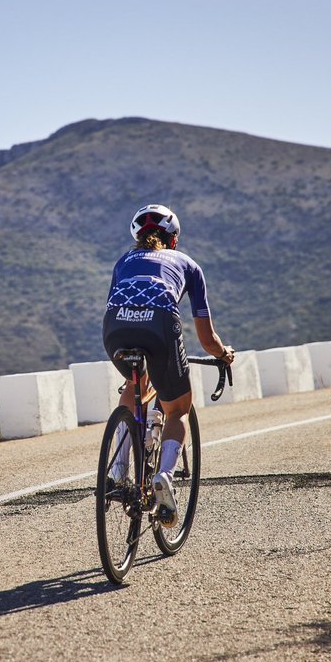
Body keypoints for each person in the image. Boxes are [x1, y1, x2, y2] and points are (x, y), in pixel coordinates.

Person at [102, 203, 234, 525]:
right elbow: (206, 338)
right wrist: (222, 354)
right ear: (173, 239)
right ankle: (164, 477)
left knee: (136, 384)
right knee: (177, 409)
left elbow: (117, 301)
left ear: (137, 237)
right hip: (159, 326)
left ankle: (118, 472)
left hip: (115, 327)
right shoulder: (187, 264)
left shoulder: (123, 261)